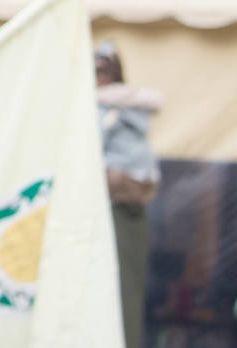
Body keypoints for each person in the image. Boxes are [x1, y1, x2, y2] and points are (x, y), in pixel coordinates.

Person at [94, 38, 162, 348]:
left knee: (118, 288)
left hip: (114, 199)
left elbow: (92, 148)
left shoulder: (104, 108)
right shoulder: (133, 108)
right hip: (128, 197)